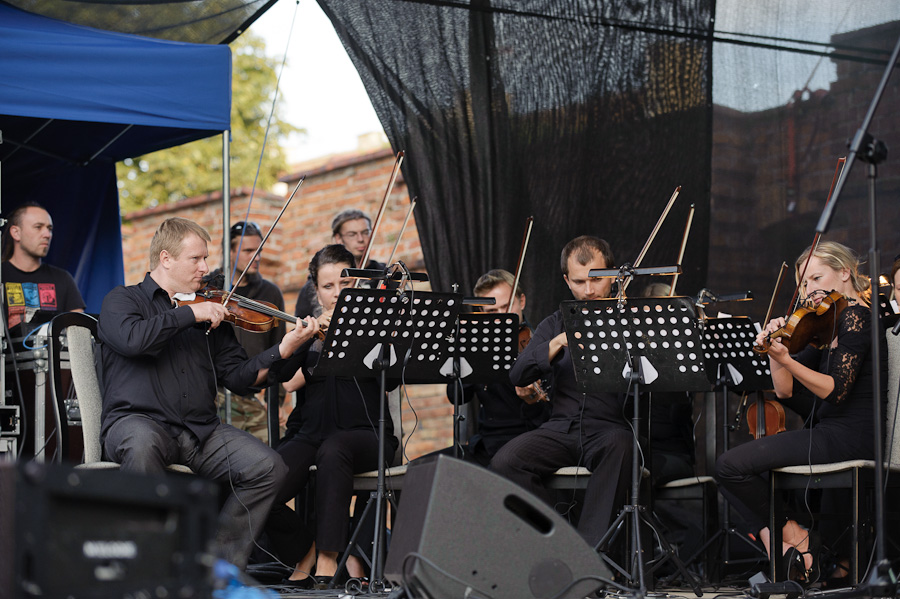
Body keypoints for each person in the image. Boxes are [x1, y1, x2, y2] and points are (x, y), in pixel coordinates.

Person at [97, 217, 319, 569]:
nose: (206, 268)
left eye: (205, 259)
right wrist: (189, 313)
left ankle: (217, 567)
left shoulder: (209, 311)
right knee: (141, 446)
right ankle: (148, 568)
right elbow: (132, 339)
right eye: (196, 259)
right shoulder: (123, 300)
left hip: (199, 430)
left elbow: (239, 377)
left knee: (268, 467)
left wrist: (285, 349)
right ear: (166, 258)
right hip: (136, 422)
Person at [715, 241, 885, 583]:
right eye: (804, 283)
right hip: (830, 432)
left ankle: (796, 540)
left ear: (844, 273)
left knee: (730, 466)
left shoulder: (857, 316)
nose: (809, 290)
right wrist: (777, 349)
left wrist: (787, 358)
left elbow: (835, 391)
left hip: (854, 436)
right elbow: (784, 390)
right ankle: (794, 541)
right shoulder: (827, 326)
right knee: (735, 468)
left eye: (816, 278)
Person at [269, 244, 399, 588]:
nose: (338, 294)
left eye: (345, 284)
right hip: (311, 432)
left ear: (357, 284)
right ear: (317, 291)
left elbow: (397, 377)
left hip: (367, 434)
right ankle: (305, 549)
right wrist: (301, 338)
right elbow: (281, 375)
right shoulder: (311, 330)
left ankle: (329, 558)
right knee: (261, 477)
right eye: (328, 287)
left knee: (335, 449)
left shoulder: (376, 325)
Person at [491, 235, 633, 548]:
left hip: (607, 427)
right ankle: (558, 544)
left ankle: (590, 555)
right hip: (561, 428)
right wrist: (555, 344)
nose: (589, 291)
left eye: (597, 279)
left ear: (613, 275)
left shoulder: (631, 321)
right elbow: (518, 373)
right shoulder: (555, 323)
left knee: (622, 445)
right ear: (567, 281)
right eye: (580, 282)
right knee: (506, 461)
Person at [444, 269, 550, 466]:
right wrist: (470, 353)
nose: (502, 317)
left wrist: (532, 401)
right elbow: (456, 395)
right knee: (422, 471)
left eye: (507, 306)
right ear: (481, 312)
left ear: (522, 301)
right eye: (493, 311)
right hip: (485, 444)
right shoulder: (476, 344)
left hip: (525, 446)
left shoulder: (540, 344)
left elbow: (549, 417)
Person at [210, 221, 288, 443]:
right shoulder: (210, 289)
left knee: (279, 443)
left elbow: (279, 347)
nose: (256, 257)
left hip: (253, 393)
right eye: (248, 251)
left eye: (259, 250)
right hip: (217, 394)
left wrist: (277, 400)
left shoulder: (270, 293)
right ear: (231, 251)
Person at [1, 202, 85, 329]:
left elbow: (79, 330)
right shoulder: (2, 274)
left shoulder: (63, 278)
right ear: (16, 232)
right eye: (38, 227)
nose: (47, 234)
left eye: (49, 229)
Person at [294, 209, 385, 318]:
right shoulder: (312, 285)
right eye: (352, 234)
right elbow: (302, 323)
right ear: (338, 238)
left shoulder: (386, 275)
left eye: (365, 233)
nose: (360, 239)